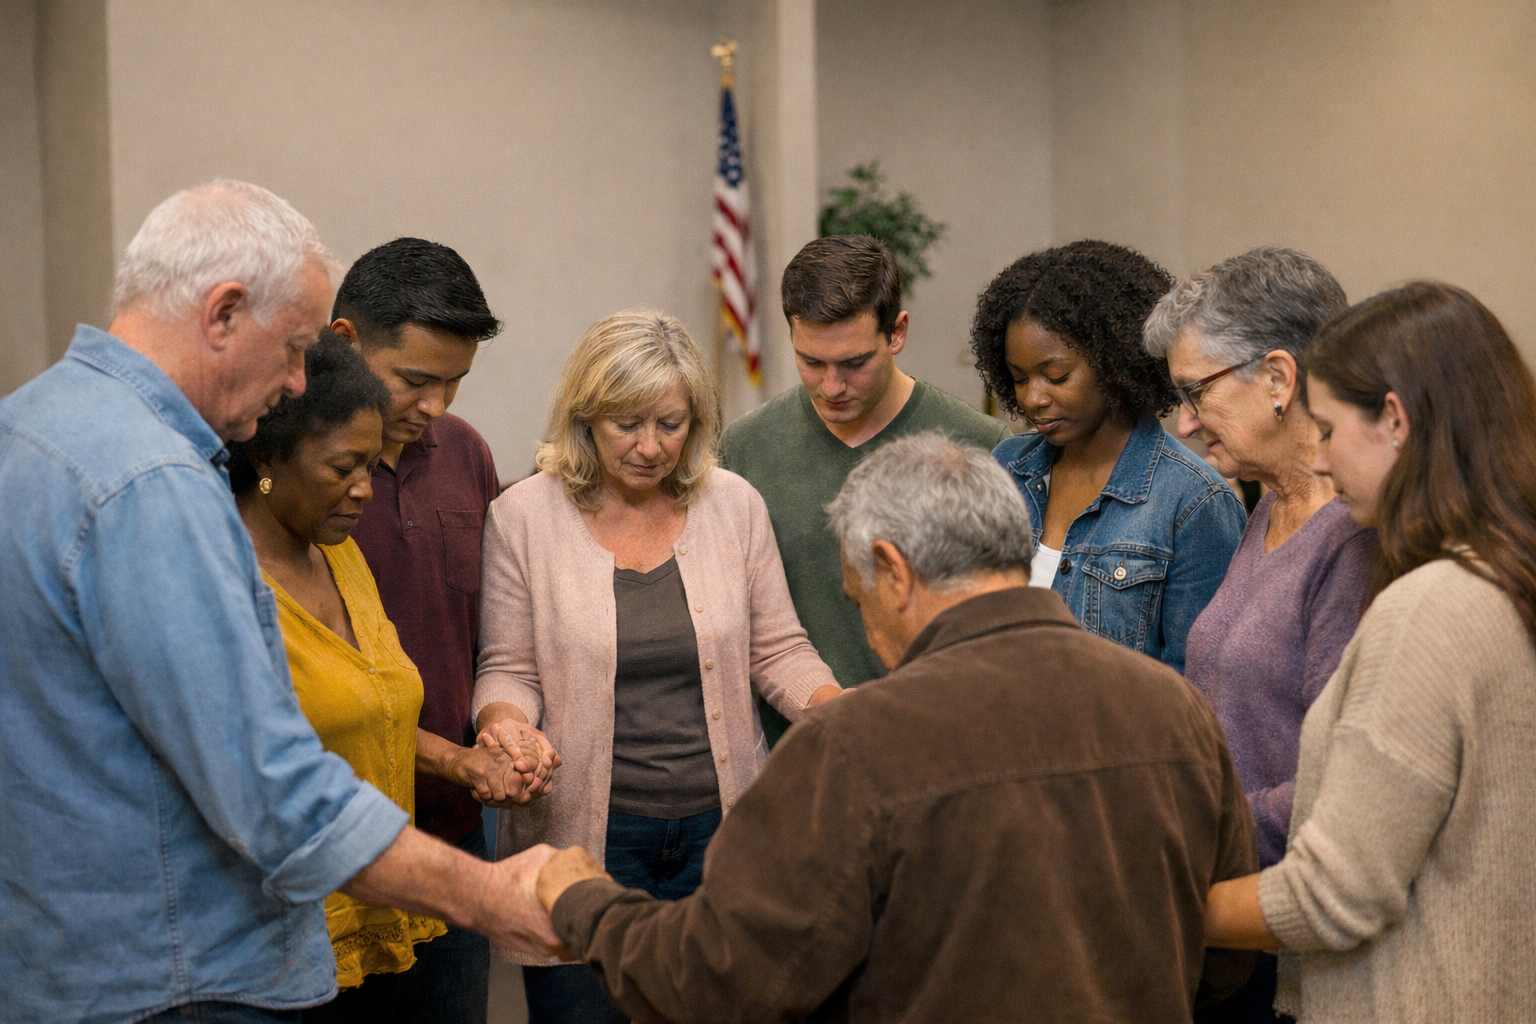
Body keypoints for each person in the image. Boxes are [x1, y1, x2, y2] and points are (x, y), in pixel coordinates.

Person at [0, 180, 559, 1024]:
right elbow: (271, 789)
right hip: (183, 978)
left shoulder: (29, 425)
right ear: (223, 313)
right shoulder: (154, 483)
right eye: (298, 349)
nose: (301, 384)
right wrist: (491, 893)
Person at [517, 433, 1258, 1022]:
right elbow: (1223, 954)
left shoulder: (853, 746)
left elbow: (720, 983)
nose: (868, 632)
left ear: (893, 571)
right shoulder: (1174, 708)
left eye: (858, 598)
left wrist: (582, 897)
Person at [472, 309, 840, 1022]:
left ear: (697, 420)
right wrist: (505, 724)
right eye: (626, 424)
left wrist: (838, 710)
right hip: (585, 836)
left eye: (670, 424)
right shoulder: (524, 516)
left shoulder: (733, 505)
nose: (649, 447)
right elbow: (508, 666)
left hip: (722, 830)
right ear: (586, 418)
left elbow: (779, 649)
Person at [1204, 282, 1536, 1023]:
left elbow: (1335, 893)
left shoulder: (1430, 611)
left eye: (1326, 430)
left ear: (1393, 420)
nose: (1319, 462)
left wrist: (1163, 902)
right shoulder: (1506, 577)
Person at [1143, 248, 1375, 1023]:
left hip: (1289, 939)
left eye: (1193, 391)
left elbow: (1336, 775)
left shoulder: (1351, 534)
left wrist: (1178, 839)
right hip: (1234, 916)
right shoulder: (1267, 505)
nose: (1182, 419)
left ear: (1278, 377)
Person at [330, 237, 552, 1024]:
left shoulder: (463, 455)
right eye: (416, 381)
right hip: (339, 844)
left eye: (455, 385)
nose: (437, 408)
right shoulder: (292, 476)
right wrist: (456, 760)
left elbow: (493, 638)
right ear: (346, 341)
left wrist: (501, 729)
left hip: (456, 832)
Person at [719, 234, 1009, 743]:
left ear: (897, 332)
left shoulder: (980, 447)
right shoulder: (745, 448)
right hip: (791, 754)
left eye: (854, 363)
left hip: (943, 744)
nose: (832, 386)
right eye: (811, 362)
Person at [974, 240, 1246, 672]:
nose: (1033, 397)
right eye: (1019, 378)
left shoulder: (1192, 501)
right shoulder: (1006, 467)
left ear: (1114, 361)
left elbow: (1196, 686)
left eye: (1056, 375)